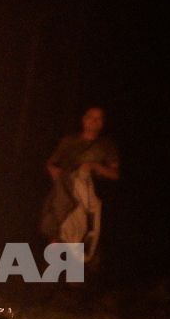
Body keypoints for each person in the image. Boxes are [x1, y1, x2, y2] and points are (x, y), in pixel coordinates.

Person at [39, 105, 120, 263]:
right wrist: (55, 172)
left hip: (92, 194)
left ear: (102, 123)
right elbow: (52, 163)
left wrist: (95, 167)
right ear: (84, 119)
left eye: (98, 119)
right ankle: (53, 270)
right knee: (63, 226)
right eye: (91, 117)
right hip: (67, 191)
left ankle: (80, 273)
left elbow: (115, 174)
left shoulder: (106, 145)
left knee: (85, 234)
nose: (94, 121)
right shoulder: (69, 141)